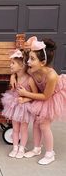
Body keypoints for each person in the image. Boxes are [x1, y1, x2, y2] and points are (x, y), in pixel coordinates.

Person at [16, 37, 66, 165]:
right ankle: (37, 148)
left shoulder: (51, 75)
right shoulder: (32, 70)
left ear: (42, 62)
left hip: (53, 96)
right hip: (40, 94)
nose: (28, 61)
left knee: (44, 124)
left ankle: (50, 154)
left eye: (32, 59)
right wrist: (12, 76)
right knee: (37, 123)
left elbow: (46, 96)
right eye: (29, 58)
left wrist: (26, 94)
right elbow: (19, 69)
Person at [1, 49, 37, 158]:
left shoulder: (30, 80)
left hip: (25, 107)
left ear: (21, 66)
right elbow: (13, 91)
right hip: (14, 104)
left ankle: (22, 149)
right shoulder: (15, 77)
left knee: (24, 129)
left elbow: (34, 94)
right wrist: (12, 77)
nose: (10, 65)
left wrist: (25, 99)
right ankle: (15, 147)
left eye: (13, 63)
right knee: (15, 128)